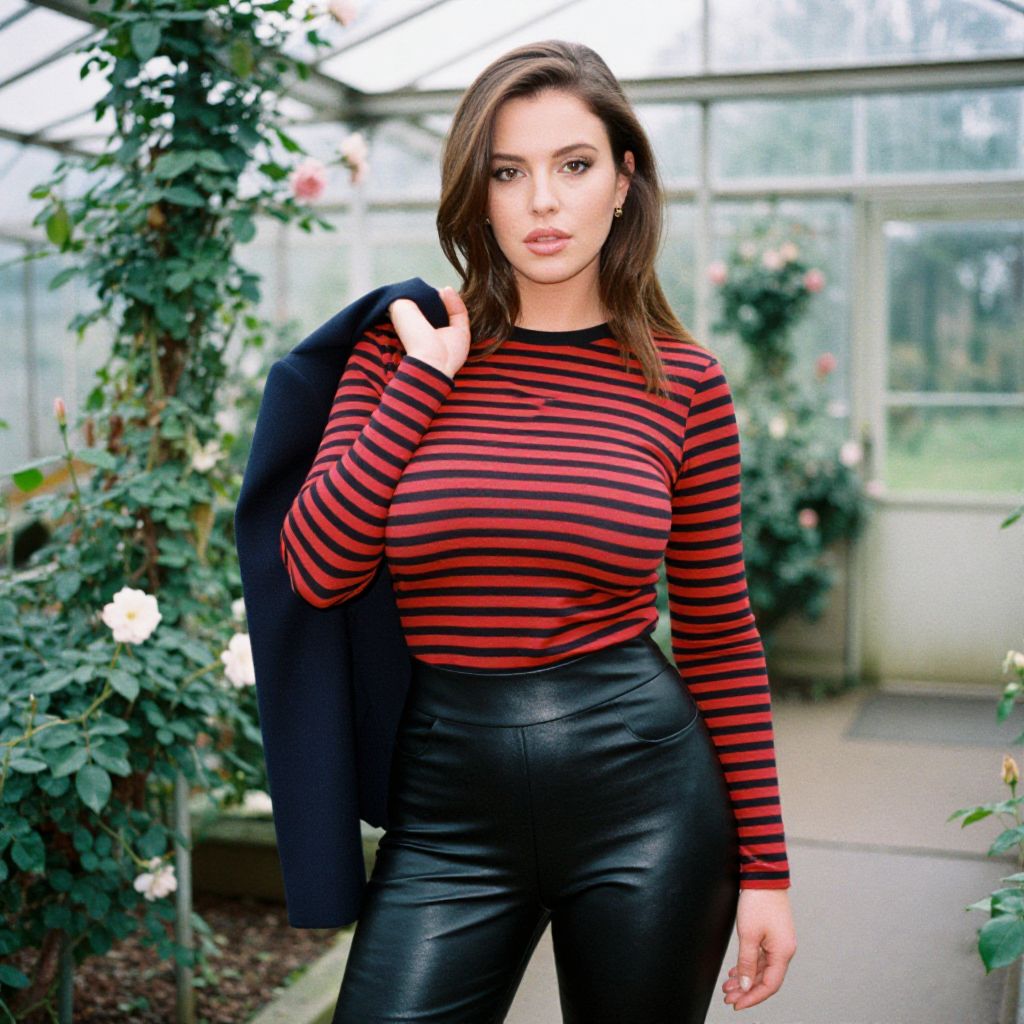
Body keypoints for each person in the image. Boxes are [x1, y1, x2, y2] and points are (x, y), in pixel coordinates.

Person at [279, 38, 796, 1024]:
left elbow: (721, 635)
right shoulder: (401, 350)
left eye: (574, 165)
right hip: (446, 812)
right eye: (509, 172)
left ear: (622, 180)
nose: (543, 201)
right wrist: (427, 382)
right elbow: (317, 569)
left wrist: (767, 871)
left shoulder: (684, 383)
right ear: (478, 193)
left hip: (649, 804)